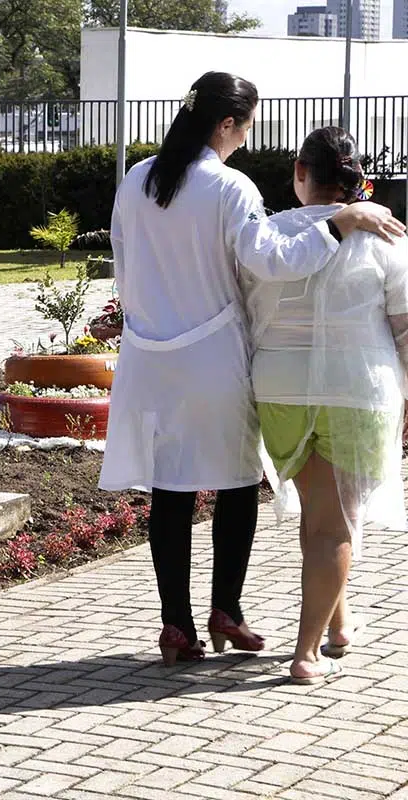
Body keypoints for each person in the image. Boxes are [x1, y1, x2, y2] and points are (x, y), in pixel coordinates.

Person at [99, 71, 406, 667]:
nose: (247, 137)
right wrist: (342, 222)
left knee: (171, 490)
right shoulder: (230, 187)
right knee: (236, 484)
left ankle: (175, 625)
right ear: (225, 125)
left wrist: (139, 321)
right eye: (247, 126)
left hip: (148, 357)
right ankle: (227, 610)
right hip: (213, 356)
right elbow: (270, 262)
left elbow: (124, 261)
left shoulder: (139, 178)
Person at [242, 127, 408, 684]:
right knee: (336, 525)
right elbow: (405, 329)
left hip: (279, 389)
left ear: (300, 172)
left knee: (319, 512)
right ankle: (306, 652)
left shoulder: (268, 234)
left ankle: (339, 625)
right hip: (357, 388)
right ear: (361, 182)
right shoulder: (386, 237)